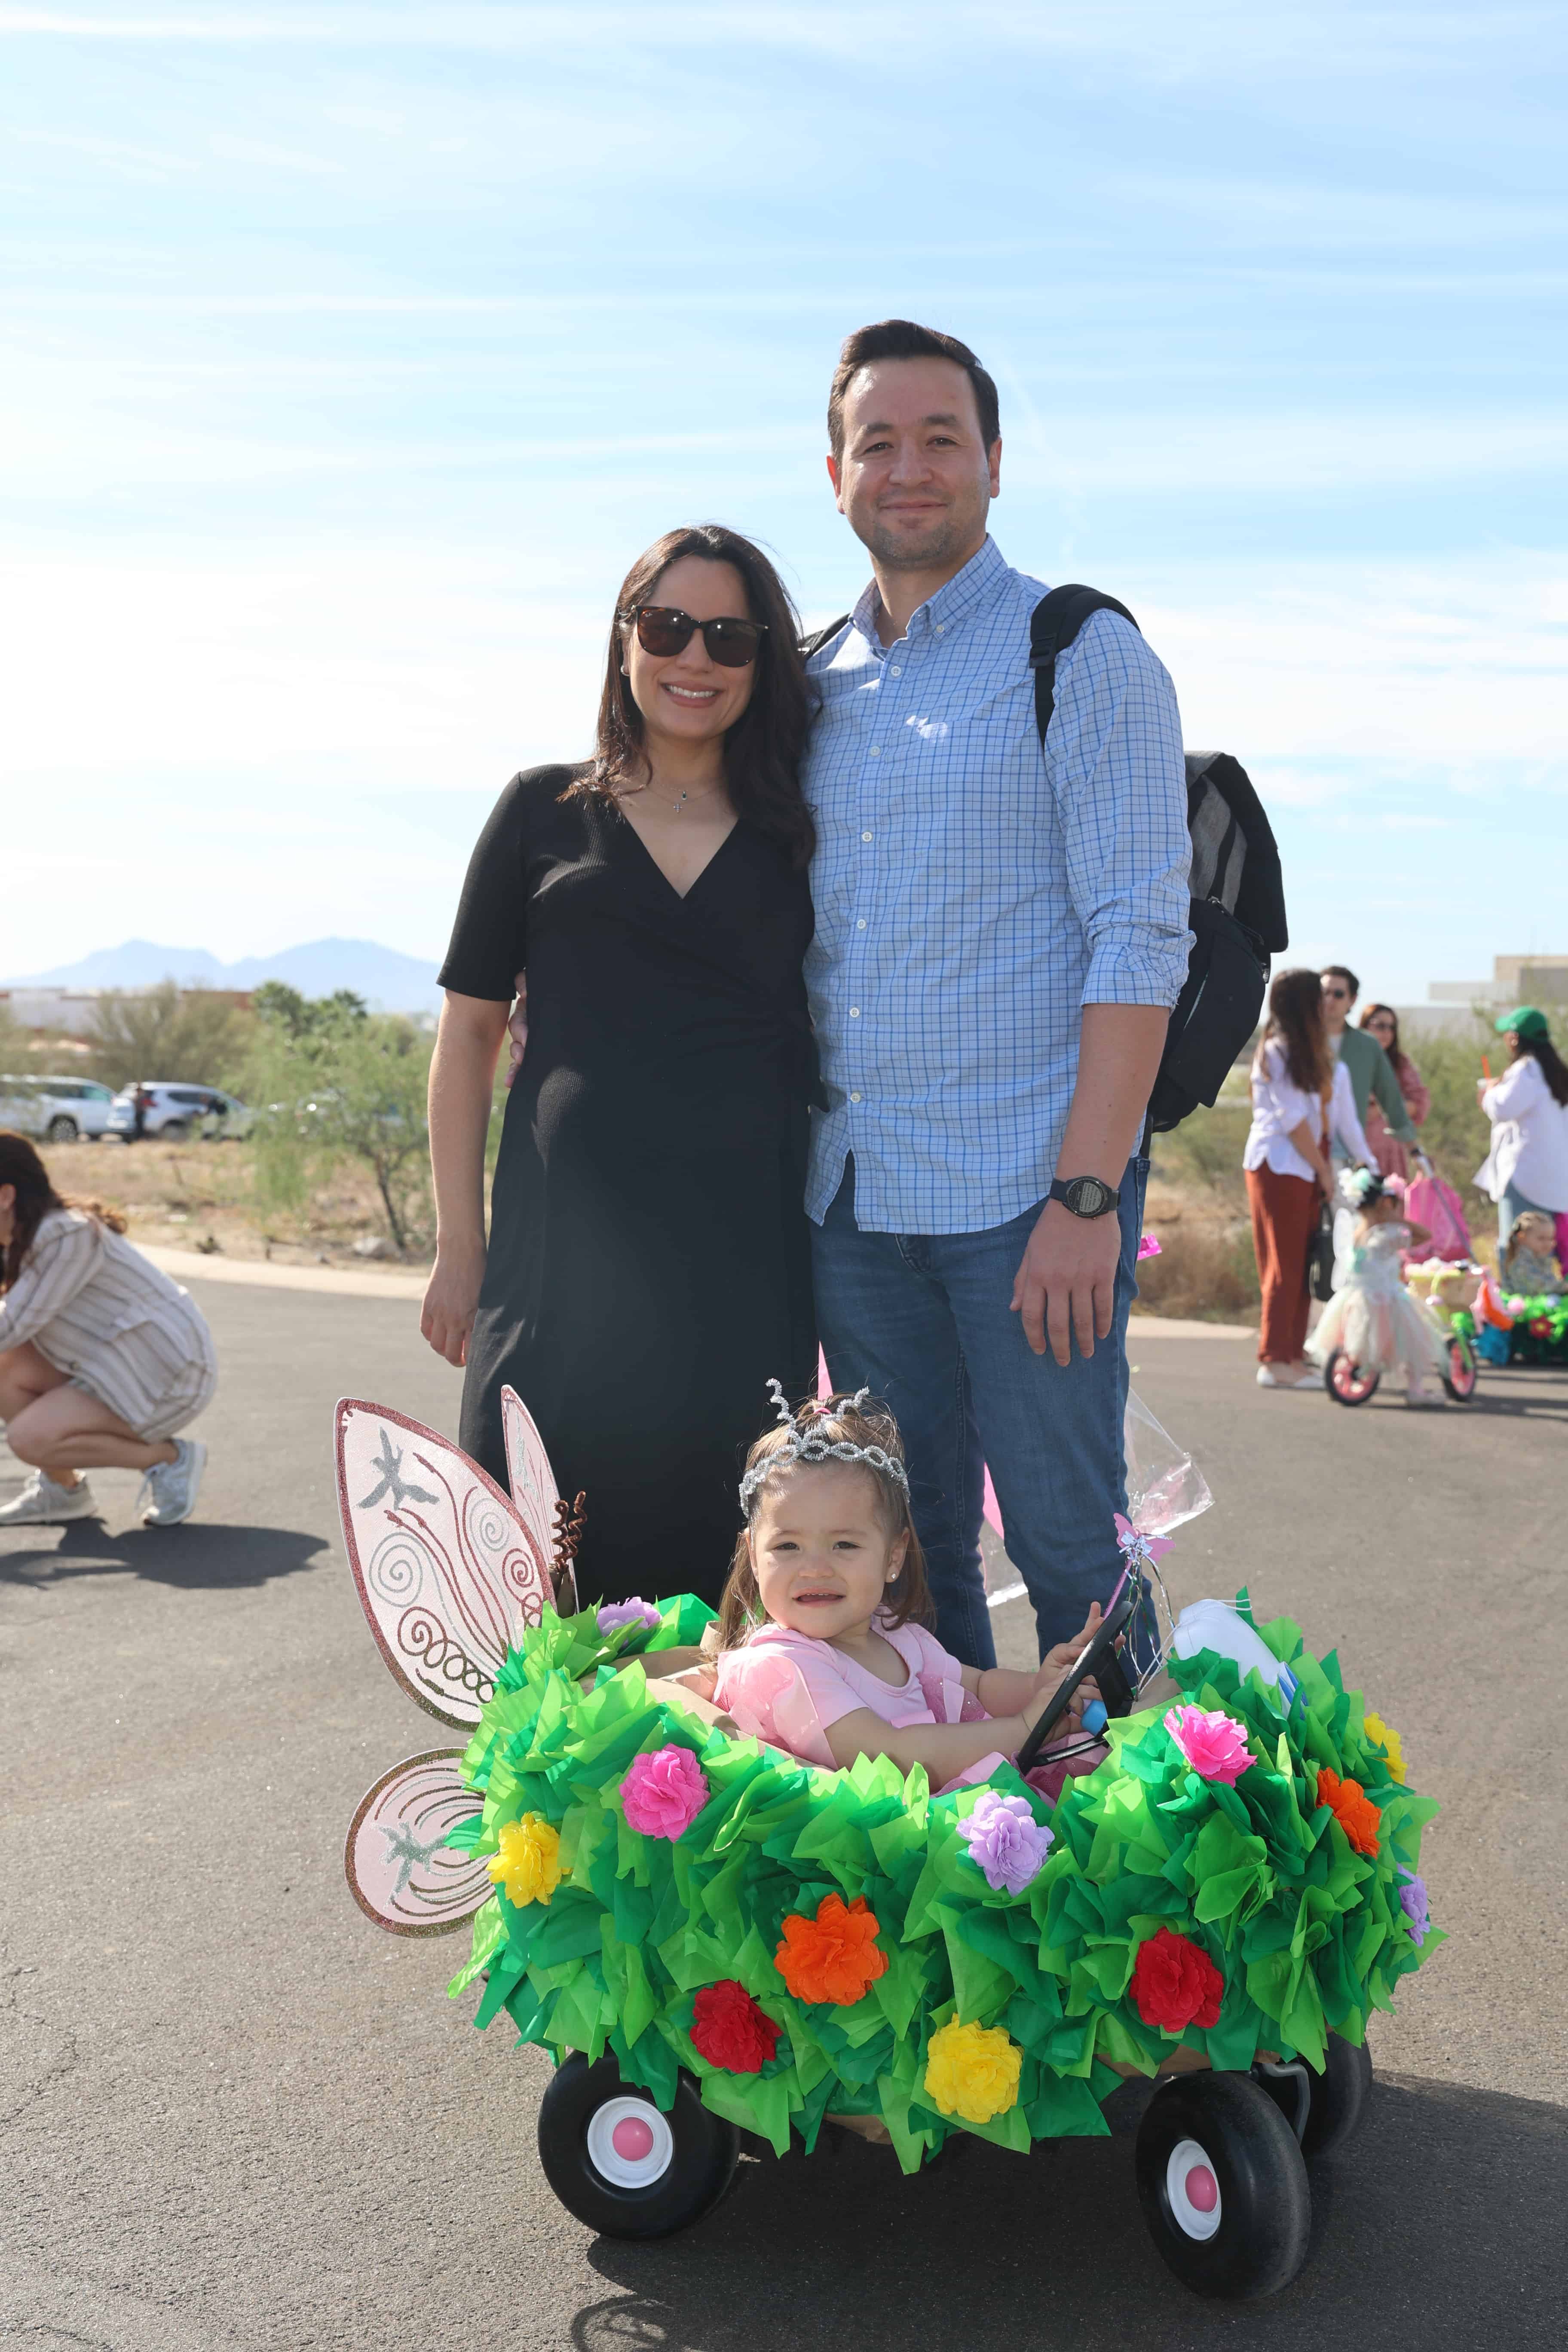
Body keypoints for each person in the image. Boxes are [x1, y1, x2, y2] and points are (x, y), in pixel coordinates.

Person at [800, 319, 1192, 1670]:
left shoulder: (1078, 654)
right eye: (878, 443)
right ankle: (977, 1848)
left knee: (1069, 1546)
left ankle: (1130, 1857)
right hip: (852, 1206)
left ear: (995, 463)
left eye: (940, 440)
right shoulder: (804, 685)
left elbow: (1140, 940)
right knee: (902, 1565)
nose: (909, 469)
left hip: (1030, 1202)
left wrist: (1088, 1199)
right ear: (835, 470)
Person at [422, 527, 819, 1610]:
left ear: (763, 659)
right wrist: (462, 1247)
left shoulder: (803, 831)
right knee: (535, 1573)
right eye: (668, 626)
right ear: (625, 638)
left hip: (742, 1272)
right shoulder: (540, 811)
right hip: (559, 1269)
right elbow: (466, 1037)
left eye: (730, 637)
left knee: (721, 1598)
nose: (696, 658)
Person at [710, 1386, 1103, 1788]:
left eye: (844, 1544)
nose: (815, 1569)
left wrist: (1041, 1688)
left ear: (893, 1557)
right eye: (787, 1546)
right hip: (866, 1845)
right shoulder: (783, 1666)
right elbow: (889, 1756)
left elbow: (980, 1688)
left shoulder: (894, 1635)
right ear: (755, 1559)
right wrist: (1021, 1729)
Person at [0, 1132, 214, 1526]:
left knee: (29, 1439)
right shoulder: (17, 1240)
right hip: (109, 1367)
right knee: (7, 1370)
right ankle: (64, 1492)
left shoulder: (66, 1233)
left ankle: (170, 1460)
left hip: (166, 1373)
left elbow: (10, 1325)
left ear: (5, 1196)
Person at [1243, 967, 1369, 1387]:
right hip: (1281, 1166)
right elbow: (1293, 1122)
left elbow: (1332, 1120)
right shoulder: (1278, 1050)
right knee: (1284, 1264)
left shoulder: (1307, 1053)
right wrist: (1323, 1171)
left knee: (1302, 1261)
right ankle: (1275, 1359)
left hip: (1301, 1167)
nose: (1326, 1003)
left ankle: (1292, 1354)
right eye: (1318, 995)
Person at [1307, 1167, 1445, 1406]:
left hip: (1355, 1297)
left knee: (1357, 1337)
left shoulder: (1354, 1231)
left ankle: (1355, 1366)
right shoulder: (1385, 1236)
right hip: (1386, 1299)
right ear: (1384, 1204)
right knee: (1413, 1341)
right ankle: (1416, 1390)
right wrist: (1398, 1220)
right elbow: (1425, 1235)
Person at [1475, 1006, 1568, 1263]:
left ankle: (1517, 1301)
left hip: (1526, 1175)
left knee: (1517, 1247)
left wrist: (1489, 1094)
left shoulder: (1527, 1070)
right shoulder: (1557, 1074)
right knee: (1545, 1248)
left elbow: (1503, 1108)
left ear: (1515, 1038)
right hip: (1555, 1178)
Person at [1358, 1004, 1430, 1182]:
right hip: (1354, 1150)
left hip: (1390, 1154)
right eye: (1381, 1026)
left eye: (1392, 1027)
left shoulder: (1400, 1064)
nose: (1387, 1033)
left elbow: (1419, 1103)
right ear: (1365, 1025)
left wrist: (1382, 1108)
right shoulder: (1349, 1060)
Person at [1500, 1209, 1563, 1298]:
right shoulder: (1520, 1263)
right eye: (1541, 1239)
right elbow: (1540, 1287)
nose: (1548, 1243)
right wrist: (1563, 1287)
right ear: (1522, 1237)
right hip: (1522, 1307)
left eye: (1551, 1239)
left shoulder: (1541, 1257)